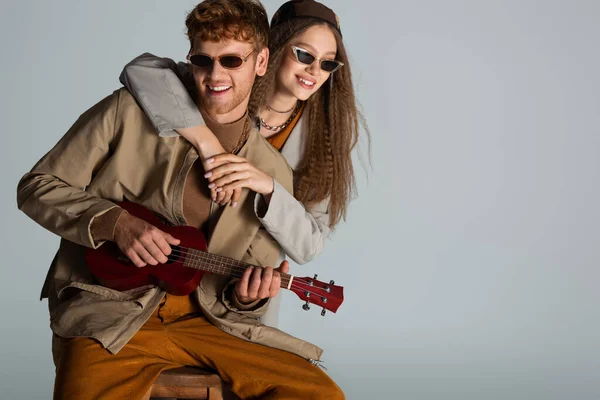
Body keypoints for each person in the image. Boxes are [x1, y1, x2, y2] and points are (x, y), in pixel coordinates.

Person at [16, 0, 344, 398]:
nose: (214, 75)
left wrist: (246, 297)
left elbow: (248, 280)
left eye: (231, 61)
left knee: (319, 393)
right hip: (109, 311)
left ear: (261, 62)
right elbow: (36, 186)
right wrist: (114, 223)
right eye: (202, 60)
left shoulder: (271, 173)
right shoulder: (127, 111)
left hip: (208, 323)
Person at [119, 0, 368, 272]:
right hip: (155, 257)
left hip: (235, 283)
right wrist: (208, 144)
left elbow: (309, 245)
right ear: (269, 51)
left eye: (328, 63)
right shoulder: (224, 84)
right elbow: (142, 70)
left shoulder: (323, 142)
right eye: (304, 55)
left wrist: (267, 186)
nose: (314, 71)